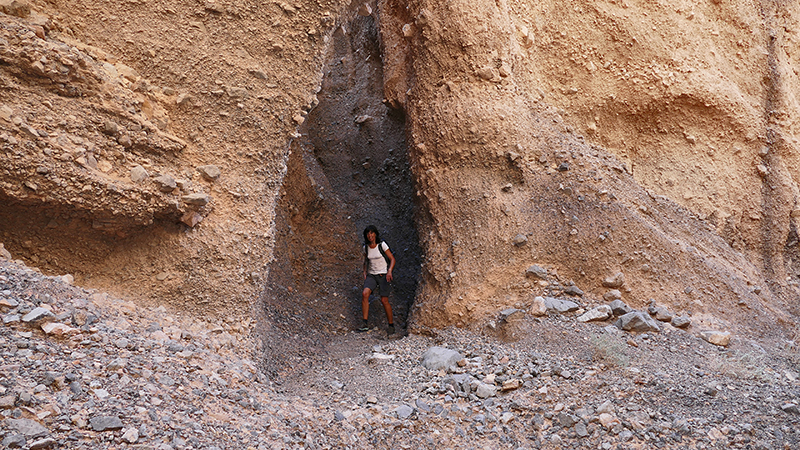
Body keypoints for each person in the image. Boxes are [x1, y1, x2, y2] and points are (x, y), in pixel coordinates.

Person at [359, 225, 396, 334]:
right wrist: (364, 271)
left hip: (383, 274)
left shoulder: (382, 245)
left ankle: (391, 325)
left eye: (372, 233)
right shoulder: (365, 247)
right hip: (372, 275)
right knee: (365, 294)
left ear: (375, 234)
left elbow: (392, 259)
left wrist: (389, 271)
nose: (370, 235)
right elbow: (365, 260)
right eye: (368, 233)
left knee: (384, 300)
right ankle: (365, 323)